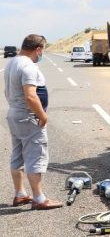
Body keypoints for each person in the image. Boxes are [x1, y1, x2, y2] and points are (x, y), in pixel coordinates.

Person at [4, 34, 62, 210]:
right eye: (42, 50)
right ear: (38, 49)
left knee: (18, 156)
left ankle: (20, 194)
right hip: (29, 117)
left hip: (15, 114)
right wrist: (42, 116)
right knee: (35, 156)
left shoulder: (12, 62)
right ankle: (39, 198)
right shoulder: (28, 67)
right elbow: (30, 96)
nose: (41, 54)